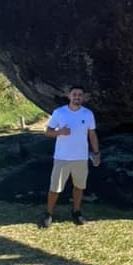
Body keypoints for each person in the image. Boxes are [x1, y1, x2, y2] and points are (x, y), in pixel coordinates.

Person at [39, 86, 100, 228]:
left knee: (79, 187)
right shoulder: (59, 112)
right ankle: (48, 214)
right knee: (55, 188)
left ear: (83, 97)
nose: (77, 97)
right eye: (74, 94)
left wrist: (96, 153)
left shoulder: (88, 114)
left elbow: (92, 134)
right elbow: (48, 132)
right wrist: (60, 132)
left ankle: (76, 212)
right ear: (69, 96)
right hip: (62, 157)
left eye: (80, 94)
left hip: (81, 157)